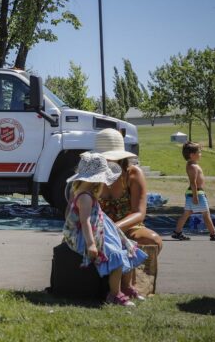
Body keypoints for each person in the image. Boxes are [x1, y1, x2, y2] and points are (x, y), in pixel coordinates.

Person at [62, 152, 148, 306]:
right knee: (116, 256)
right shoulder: (85, 197)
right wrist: (91, 244)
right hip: (87, 236)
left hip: (99, 230)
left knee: (128, 249)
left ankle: (126, 287)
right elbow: (85, 221)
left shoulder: (86, 193)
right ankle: (114, 294)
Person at [94, 128, 163, 253]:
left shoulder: (133, 174)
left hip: (128, 228)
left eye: (110, 156)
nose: (107, 160)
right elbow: (75, 207)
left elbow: (139, 213)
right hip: (96, 229)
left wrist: (113, 229)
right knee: (68, 246)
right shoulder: (90, 175)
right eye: (104, 156)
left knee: (153, 240)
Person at [171, 142, 215, 241]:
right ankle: (213, 234)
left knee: (187, 213)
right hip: (197, 193)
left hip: (193, 193)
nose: (201, 154)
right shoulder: (192, 167)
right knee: (206, 214)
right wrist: (195, 196)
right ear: (192, 155)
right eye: (199, 152)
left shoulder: (193, 165)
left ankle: (177, 232)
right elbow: (193, 182)